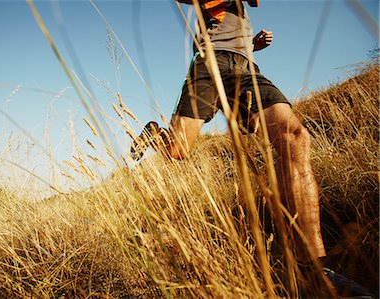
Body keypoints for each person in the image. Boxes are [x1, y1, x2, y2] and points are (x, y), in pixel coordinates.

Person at [130, 0, 373, 297]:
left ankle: (315, 272)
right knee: (178, 150)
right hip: (209, 66)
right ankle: (156, 134)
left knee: (294, 137)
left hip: (246, 68)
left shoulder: (242, 9)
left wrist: (252, 45)